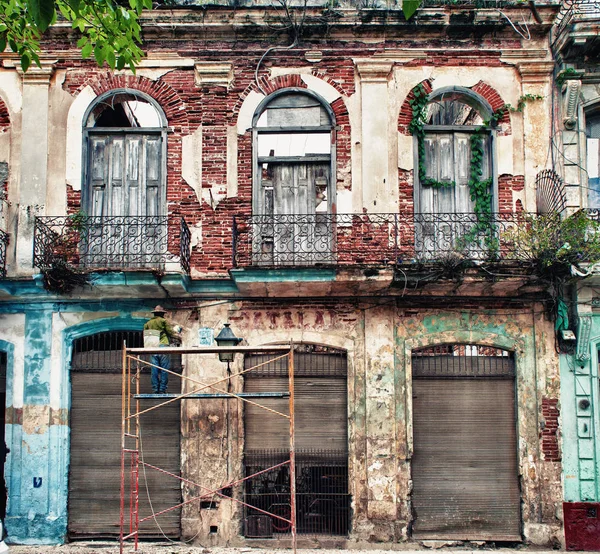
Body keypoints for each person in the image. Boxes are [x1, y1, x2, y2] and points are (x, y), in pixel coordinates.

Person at [144, 305, 176, 394]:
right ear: (162, 314)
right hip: (163, 345)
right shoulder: (163, 321)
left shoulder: (148, 323)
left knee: (154, 369)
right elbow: (170, 332)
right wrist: (177, 334)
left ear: (154, 314)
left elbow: (146, 335)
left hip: (153, 347)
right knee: (164, 369)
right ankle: (162, 388)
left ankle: (155, 389)